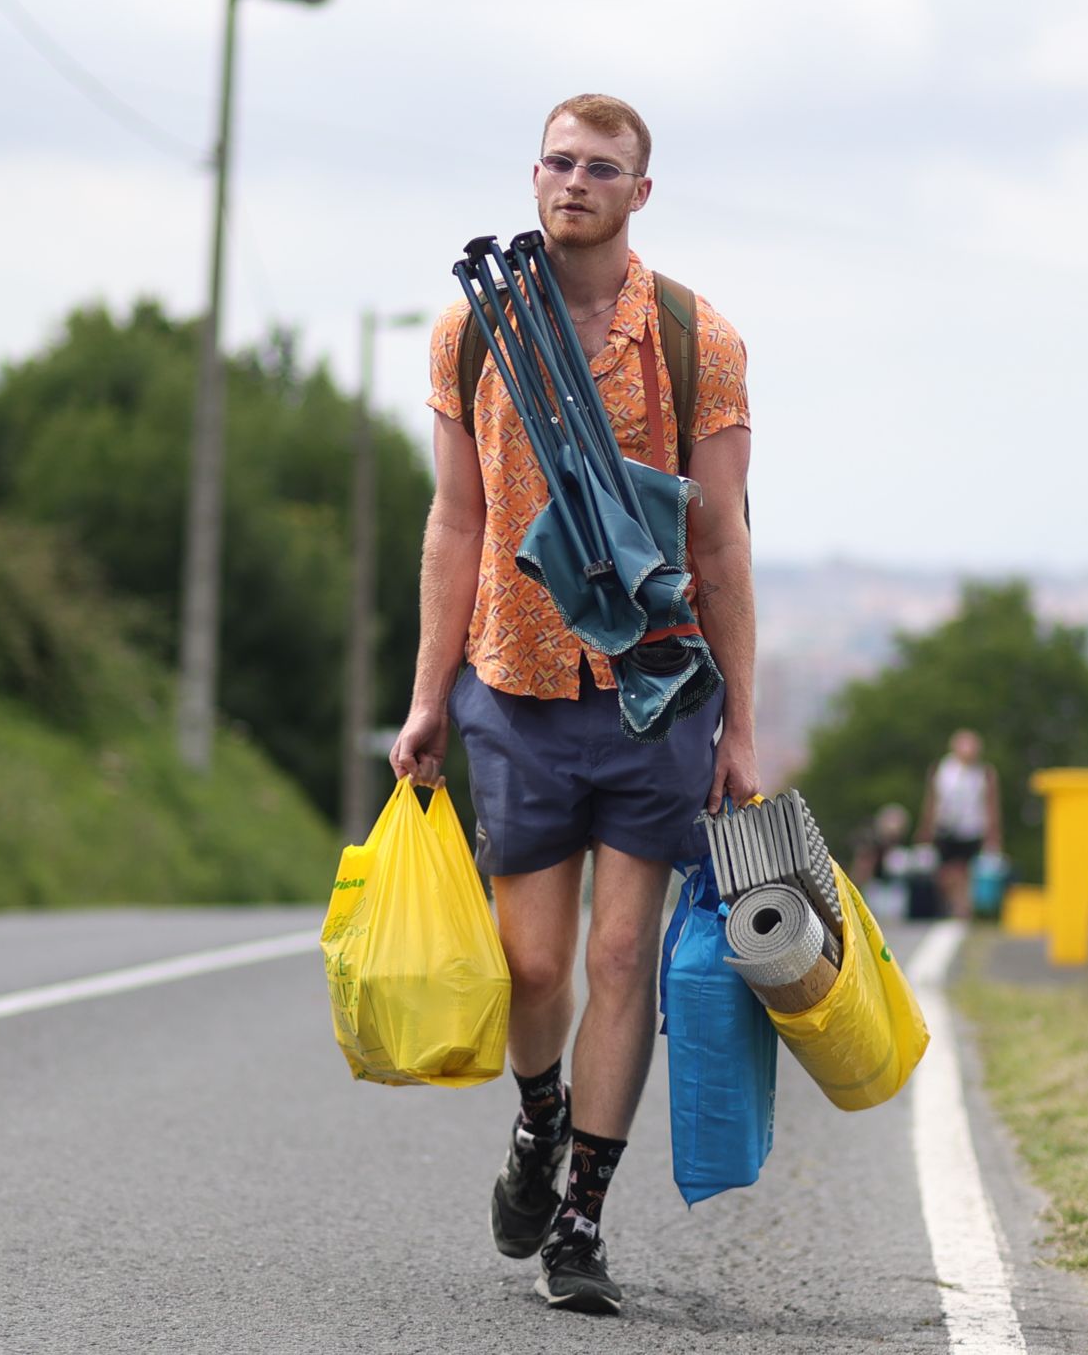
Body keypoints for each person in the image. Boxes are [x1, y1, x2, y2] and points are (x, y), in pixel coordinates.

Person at [388, 94, 756, 1316]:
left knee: (618, 953)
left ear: (638, 192)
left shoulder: (698, 339)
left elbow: (724, 540)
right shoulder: (472, 331)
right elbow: (457, 518)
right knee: (531, 963)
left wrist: (742, 726)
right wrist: (425, 692)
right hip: (516, 680)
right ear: (532, 173)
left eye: (601, 167)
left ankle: (583, 1220)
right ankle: (538, 1118)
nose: (573, 181)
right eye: (557, 161)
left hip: (657, 688)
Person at [915, 730, 1002, 919]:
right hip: (945, 827)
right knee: (945, 872)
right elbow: (931, 801)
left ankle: (962, 909)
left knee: (966, 871)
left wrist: (993, 835)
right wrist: (925, 828)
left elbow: (991, 805)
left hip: (972, 828)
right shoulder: (941, 770)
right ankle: (954, 903)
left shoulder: (984, 774)